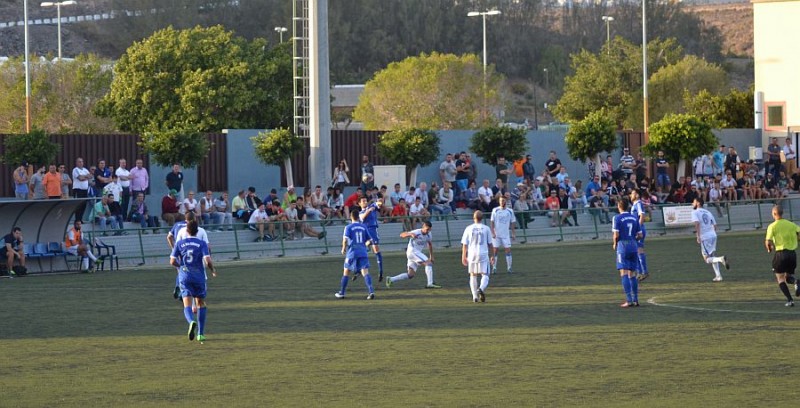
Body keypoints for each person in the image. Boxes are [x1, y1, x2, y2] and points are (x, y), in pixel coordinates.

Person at [170, 219, 217, 343]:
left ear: (187, 230)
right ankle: (200, 334)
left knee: (187, 304)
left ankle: (191, 321)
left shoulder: (179, 243)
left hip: (185, 275)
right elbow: (207, 260)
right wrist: (212, 270)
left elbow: (172, 261)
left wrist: (181, 266)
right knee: (200, 303)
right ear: (197, 231)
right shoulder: (201, 243)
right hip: (198, 276)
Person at [385, 221, 441, 289]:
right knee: (428, 263)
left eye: (429, 230)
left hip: (414, 254)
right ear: (423, 227)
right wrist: (410, 234)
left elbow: (429, 244)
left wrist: (431, 256)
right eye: (427, 229)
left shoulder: (429, 234)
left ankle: (391, 279)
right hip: (412, 252)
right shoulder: (416, 232)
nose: (428, 231)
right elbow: (402, 235)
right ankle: (430, 283)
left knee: (410, 275)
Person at [335, 211, 375, 299]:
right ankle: (371, 291)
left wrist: (343, 248)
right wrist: (365, 245)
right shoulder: (363, 227)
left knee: (346, 272)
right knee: (365, 272)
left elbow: (345, 239)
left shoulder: (348, 227)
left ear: (351, 217)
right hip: (363, 252)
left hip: (352, 253)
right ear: (358, 217)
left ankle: (342, 293)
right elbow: (370, 240)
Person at [765, 205, 800, 307]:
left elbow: (768, 241)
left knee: (780, 278)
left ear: (774, 214)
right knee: (788, 277)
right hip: (792, 254)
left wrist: (769, 248)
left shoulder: (772, 226)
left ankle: (790, 300)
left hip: (781, 254)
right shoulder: (791, 224)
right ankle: (796, 282)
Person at [691, 197, 729, 283]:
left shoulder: (695, 212)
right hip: (713, 235)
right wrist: (712, 233)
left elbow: (697, 223)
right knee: (712, 255)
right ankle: (718, 276)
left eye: (694, 202)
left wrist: (698, 236)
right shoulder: (708, 212)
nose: (692, 203)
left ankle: (721, 259)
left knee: (707, 259)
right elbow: (715, 225)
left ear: (698, 203)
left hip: (705, 236)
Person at [612, 199, 641, 308]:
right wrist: (633, 239)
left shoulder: (617, 218)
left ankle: (629, 300)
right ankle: (636, 300)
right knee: (632, 274)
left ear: (619, 206)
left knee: (623, 273)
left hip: (623, 246)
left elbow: (616, 235)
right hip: (633, 246)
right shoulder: (634, 217)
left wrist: (615, 244)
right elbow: (640, 235)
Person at [461, 210, 494, 303]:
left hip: (472, 254)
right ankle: (481, 288)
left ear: (473, 218)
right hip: (483, 253)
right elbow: (490, 244)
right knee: (485, 274)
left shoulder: (468, 228)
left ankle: (474, 296)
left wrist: (463, 256)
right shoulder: (486, 228)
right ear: (482, 218)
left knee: (473, 274)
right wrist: (492, 255)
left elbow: (464, 244)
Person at [358, 196, 384, 281]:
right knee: (361, 251)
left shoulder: (372, 206)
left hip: (372, 230)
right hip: (364, 231)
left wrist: (380, 201)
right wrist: (369, 210)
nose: (365, 202)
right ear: (359, 203)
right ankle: (358, 269)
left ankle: (380, 271)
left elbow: (379, 204)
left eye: (366, 200)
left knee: (376, 249)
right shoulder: (361, 212)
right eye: (363, 201)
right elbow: (362, 218)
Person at [490, 196, 515, 274]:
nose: (502, 202)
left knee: (508, 250)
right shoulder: (495, 210)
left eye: (503, 200)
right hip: (496, 235)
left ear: (506, 201)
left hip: (505, 235)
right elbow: (492, 222)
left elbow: (513, 222)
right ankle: (494, 268)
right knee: (495, 251)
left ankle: (509, 267)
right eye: (500, 201)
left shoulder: (510, 211)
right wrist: (493, 232)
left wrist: (513, 233)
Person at [629, 190, 649, 281]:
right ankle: (640, 272)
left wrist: (638, 229)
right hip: (636, 230)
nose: (631, 195)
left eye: (632, 193)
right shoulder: (635, 204)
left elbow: (642, 215)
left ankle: (644, 272)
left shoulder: (638, 203)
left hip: (639, 230)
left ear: (637, 195)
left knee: (639, 250)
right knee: (636, 250)